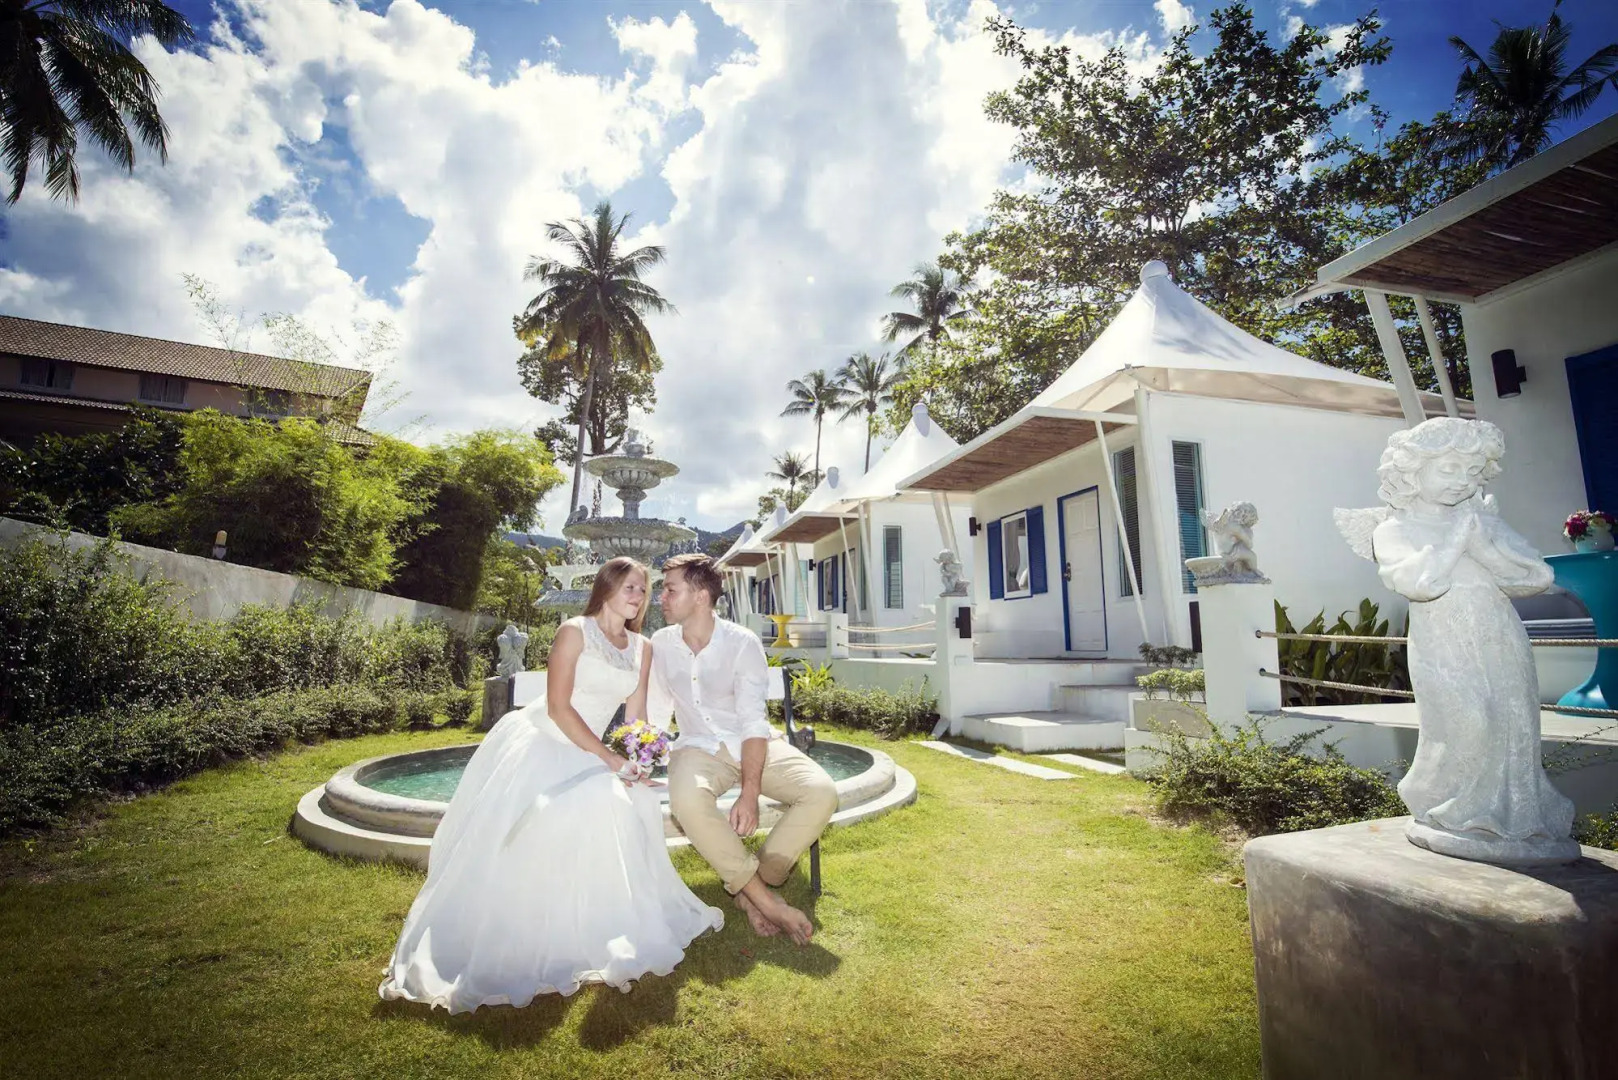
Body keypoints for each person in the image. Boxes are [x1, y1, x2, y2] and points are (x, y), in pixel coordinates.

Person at [379, 557, 723, 1014]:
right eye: (629, 586)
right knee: (565, 815)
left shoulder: (642, 648)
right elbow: (559, 707)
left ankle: (606, 925)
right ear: (605, 587)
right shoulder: (573, 631)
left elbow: (636, 716)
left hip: (593, 749)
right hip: (546, 743)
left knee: (633, 802)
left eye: (643, 588)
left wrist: (640, 757)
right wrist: (607, 758)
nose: (638, 595)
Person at [652, 553, 838, 945]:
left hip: (753, 745)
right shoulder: (661, 644)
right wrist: (639, 752)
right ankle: (766, 902)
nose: (661, 598)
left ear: (701, 596)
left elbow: (753, 723)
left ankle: (755, 888)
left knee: (821, 792)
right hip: (697, 749)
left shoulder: (742, 643)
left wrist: (750, 792)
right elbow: (655, 710)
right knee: (686, 800)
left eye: (670, 590)